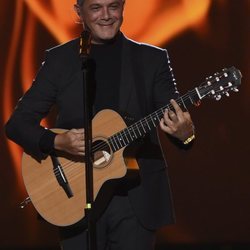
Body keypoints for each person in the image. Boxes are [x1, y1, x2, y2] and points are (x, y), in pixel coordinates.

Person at [5, 0, 195, 249]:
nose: (106, 15)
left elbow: (174, 120)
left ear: (123, 8)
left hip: (136, 199)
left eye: (113, 6)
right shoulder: (60, 60)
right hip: (75, 195)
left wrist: (186, 134)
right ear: (78, 12)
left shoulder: (152, 59)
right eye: (96, 8)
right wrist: (57, 141)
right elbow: (17, 124)